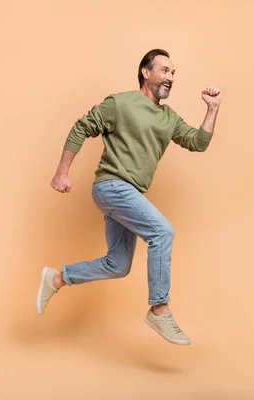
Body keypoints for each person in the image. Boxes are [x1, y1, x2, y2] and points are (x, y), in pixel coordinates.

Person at [35, 49, 222, 346]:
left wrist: (212, 110)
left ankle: (57, 278)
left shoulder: (168, 117)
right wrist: (62, 172)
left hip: (129, 193)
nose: (170, 77)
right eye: (164, 70)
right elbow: (82, 127)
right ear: (146, 73)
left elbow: (197, 143)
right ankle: (159, 308)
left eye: (173, 73)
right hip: (111, 186)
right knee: (162, 231)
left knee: (118, 265)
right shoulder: (120, 103)